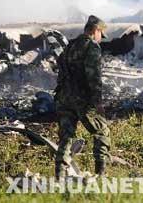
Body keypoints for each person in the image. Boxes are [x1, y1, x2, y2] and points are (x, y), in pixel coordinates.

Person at [54, 15, 110, 178]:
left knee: (66, 136)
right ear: (96, 31)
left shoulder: (70, 46)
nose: (101, 39)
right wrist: (98, 102)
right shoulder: (91, 46)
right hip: (82, 100)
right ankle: (101, 175)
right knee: (102, 133)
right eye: (101, 35)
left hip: (63, 97)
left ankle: (60, 176)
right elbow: (94, 76)